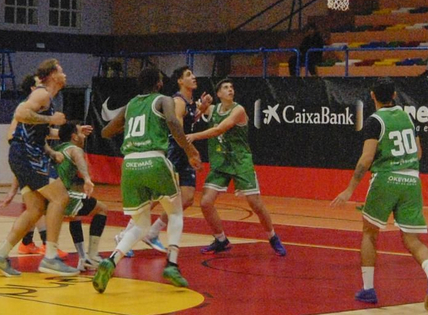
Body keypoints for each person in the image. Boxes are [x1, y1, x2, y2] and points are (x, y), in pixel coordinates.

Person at [331, 78, 428, 308]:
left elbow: (366, 159)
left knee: (369, 232)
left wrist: (350, 188)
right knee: (412, 238)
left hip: (386, 179)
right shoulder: (408, 117)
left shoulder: (375, 121)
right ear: (394, 95)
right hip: (411, 180)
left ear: (372, 95)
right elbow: (419, 153)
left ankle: (369, 289)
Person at [92, 65, 202, 293]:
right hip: (154, 159)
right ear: (159, 83)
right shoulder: (164, 100)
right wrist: (190, 150)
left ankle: (111, 260)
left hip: (130, 165)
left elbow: (106, 132)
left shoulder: (131, 104)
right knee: (175, 211)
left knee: (140, 223)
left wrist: (130, 127)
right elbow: (173, 122)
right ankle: (172, 263)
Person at [0, 60, 79, 277]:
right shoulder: (42, 94)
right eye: (61, 70)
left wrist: (56, 143)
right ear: (53, 74)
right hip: (27, 155)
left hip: (25, 154)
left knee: (36, 209)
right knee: (60, 198)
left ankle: (0, 256)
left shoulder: (47, 98)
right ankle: (51, 258)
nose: (65, 74)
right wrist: (51, 119)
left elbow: (34, 132)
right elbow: (20, 113)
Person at [187, 78, 286, 256]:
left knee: (255, 204)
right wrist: (202, 108)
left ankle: (272, 236)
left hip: (240, 161)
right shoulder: (212, 109)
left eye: (231, 87)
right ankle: (220, 239)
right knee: (205, 202)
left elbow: (219, 130)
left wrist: (194, 136)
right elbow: (192, 118)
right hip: (221, 162)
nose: (230, 90)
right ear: (218, 94)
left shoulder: (238, 110)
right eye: (225, 87)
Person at [46, 122, 112, 272]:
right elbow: (79, 158)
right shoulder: (74, 149)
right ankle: (93, 255)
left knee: (75, 216)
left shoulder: (56, 149)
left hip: (49, 197)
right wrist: (87, 178)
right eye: (80, 133)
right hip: (61, 195)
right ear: (74, 137)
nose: (84, 136)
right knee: (102, 209)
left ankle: (83, 258)